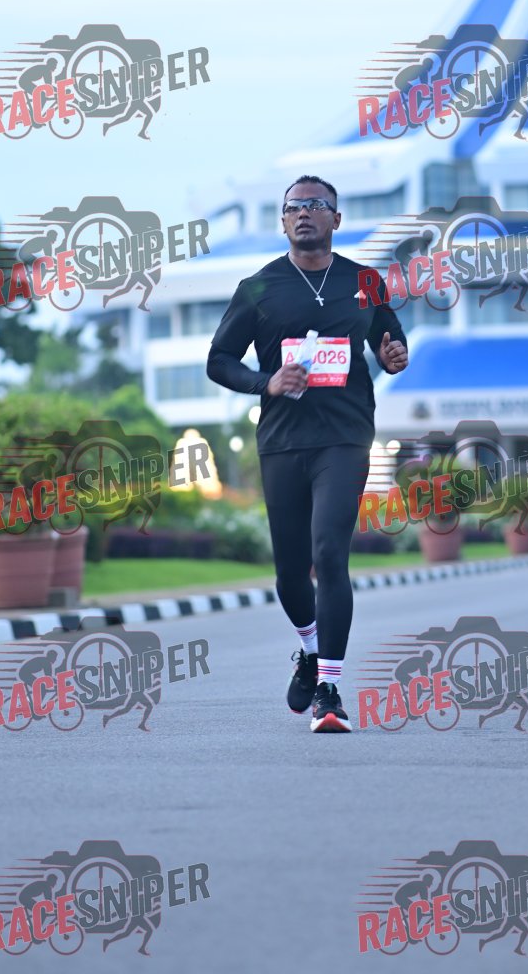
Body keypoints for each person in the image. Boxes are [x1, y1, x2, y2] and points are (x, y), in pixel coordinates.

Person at [207, 177, 408, 732]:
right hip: (282, 441)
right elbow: (219, 360)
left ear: (336, 219)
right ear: (282, 220)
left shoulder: (364, 282)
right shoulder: (258, 287)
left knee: (330, 554)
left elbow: (390, 339)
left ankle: (330, 690)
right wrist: (266, 382)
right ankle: (311, 652)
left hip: (345, 437)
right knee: (291, 573)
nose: (303, 213)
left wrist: (394, 355)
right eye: (293, 207)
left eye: (316, 205)